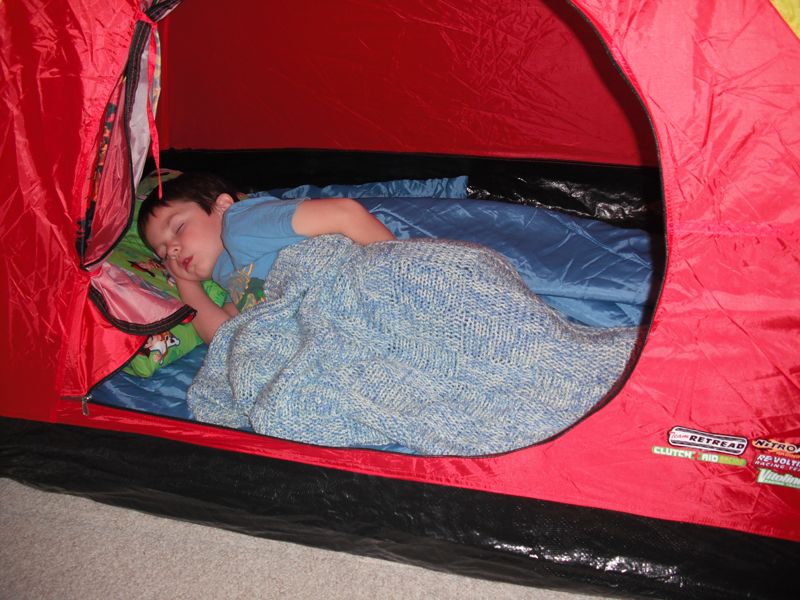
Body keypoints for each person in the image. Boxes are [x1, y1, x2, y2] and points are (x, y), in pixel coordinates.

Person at [139, 172, 395, 343]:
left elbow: (345, 213)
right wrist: (185, 282)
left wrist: (397, 273)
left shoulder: (240, 224)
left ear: (222, 206)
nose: (172, 250)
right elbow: (225, 339)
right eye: (164, 254)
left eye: (179, 228)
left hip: (358, 290)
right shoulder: (232, 280)